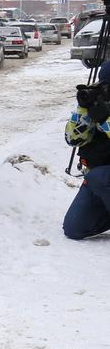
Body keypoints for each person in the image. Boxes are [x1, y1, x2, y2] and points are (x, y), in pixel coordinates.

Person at [64, 62, 110, 239]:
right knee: (74, 228)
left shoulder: (104, 113)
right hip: (100, 180)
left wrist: (105, 119)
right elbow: (72, 139)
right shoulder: (99, 104)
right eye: (104, 85)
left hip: (101, 178)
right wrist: (84, 108)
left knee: (98, 177)